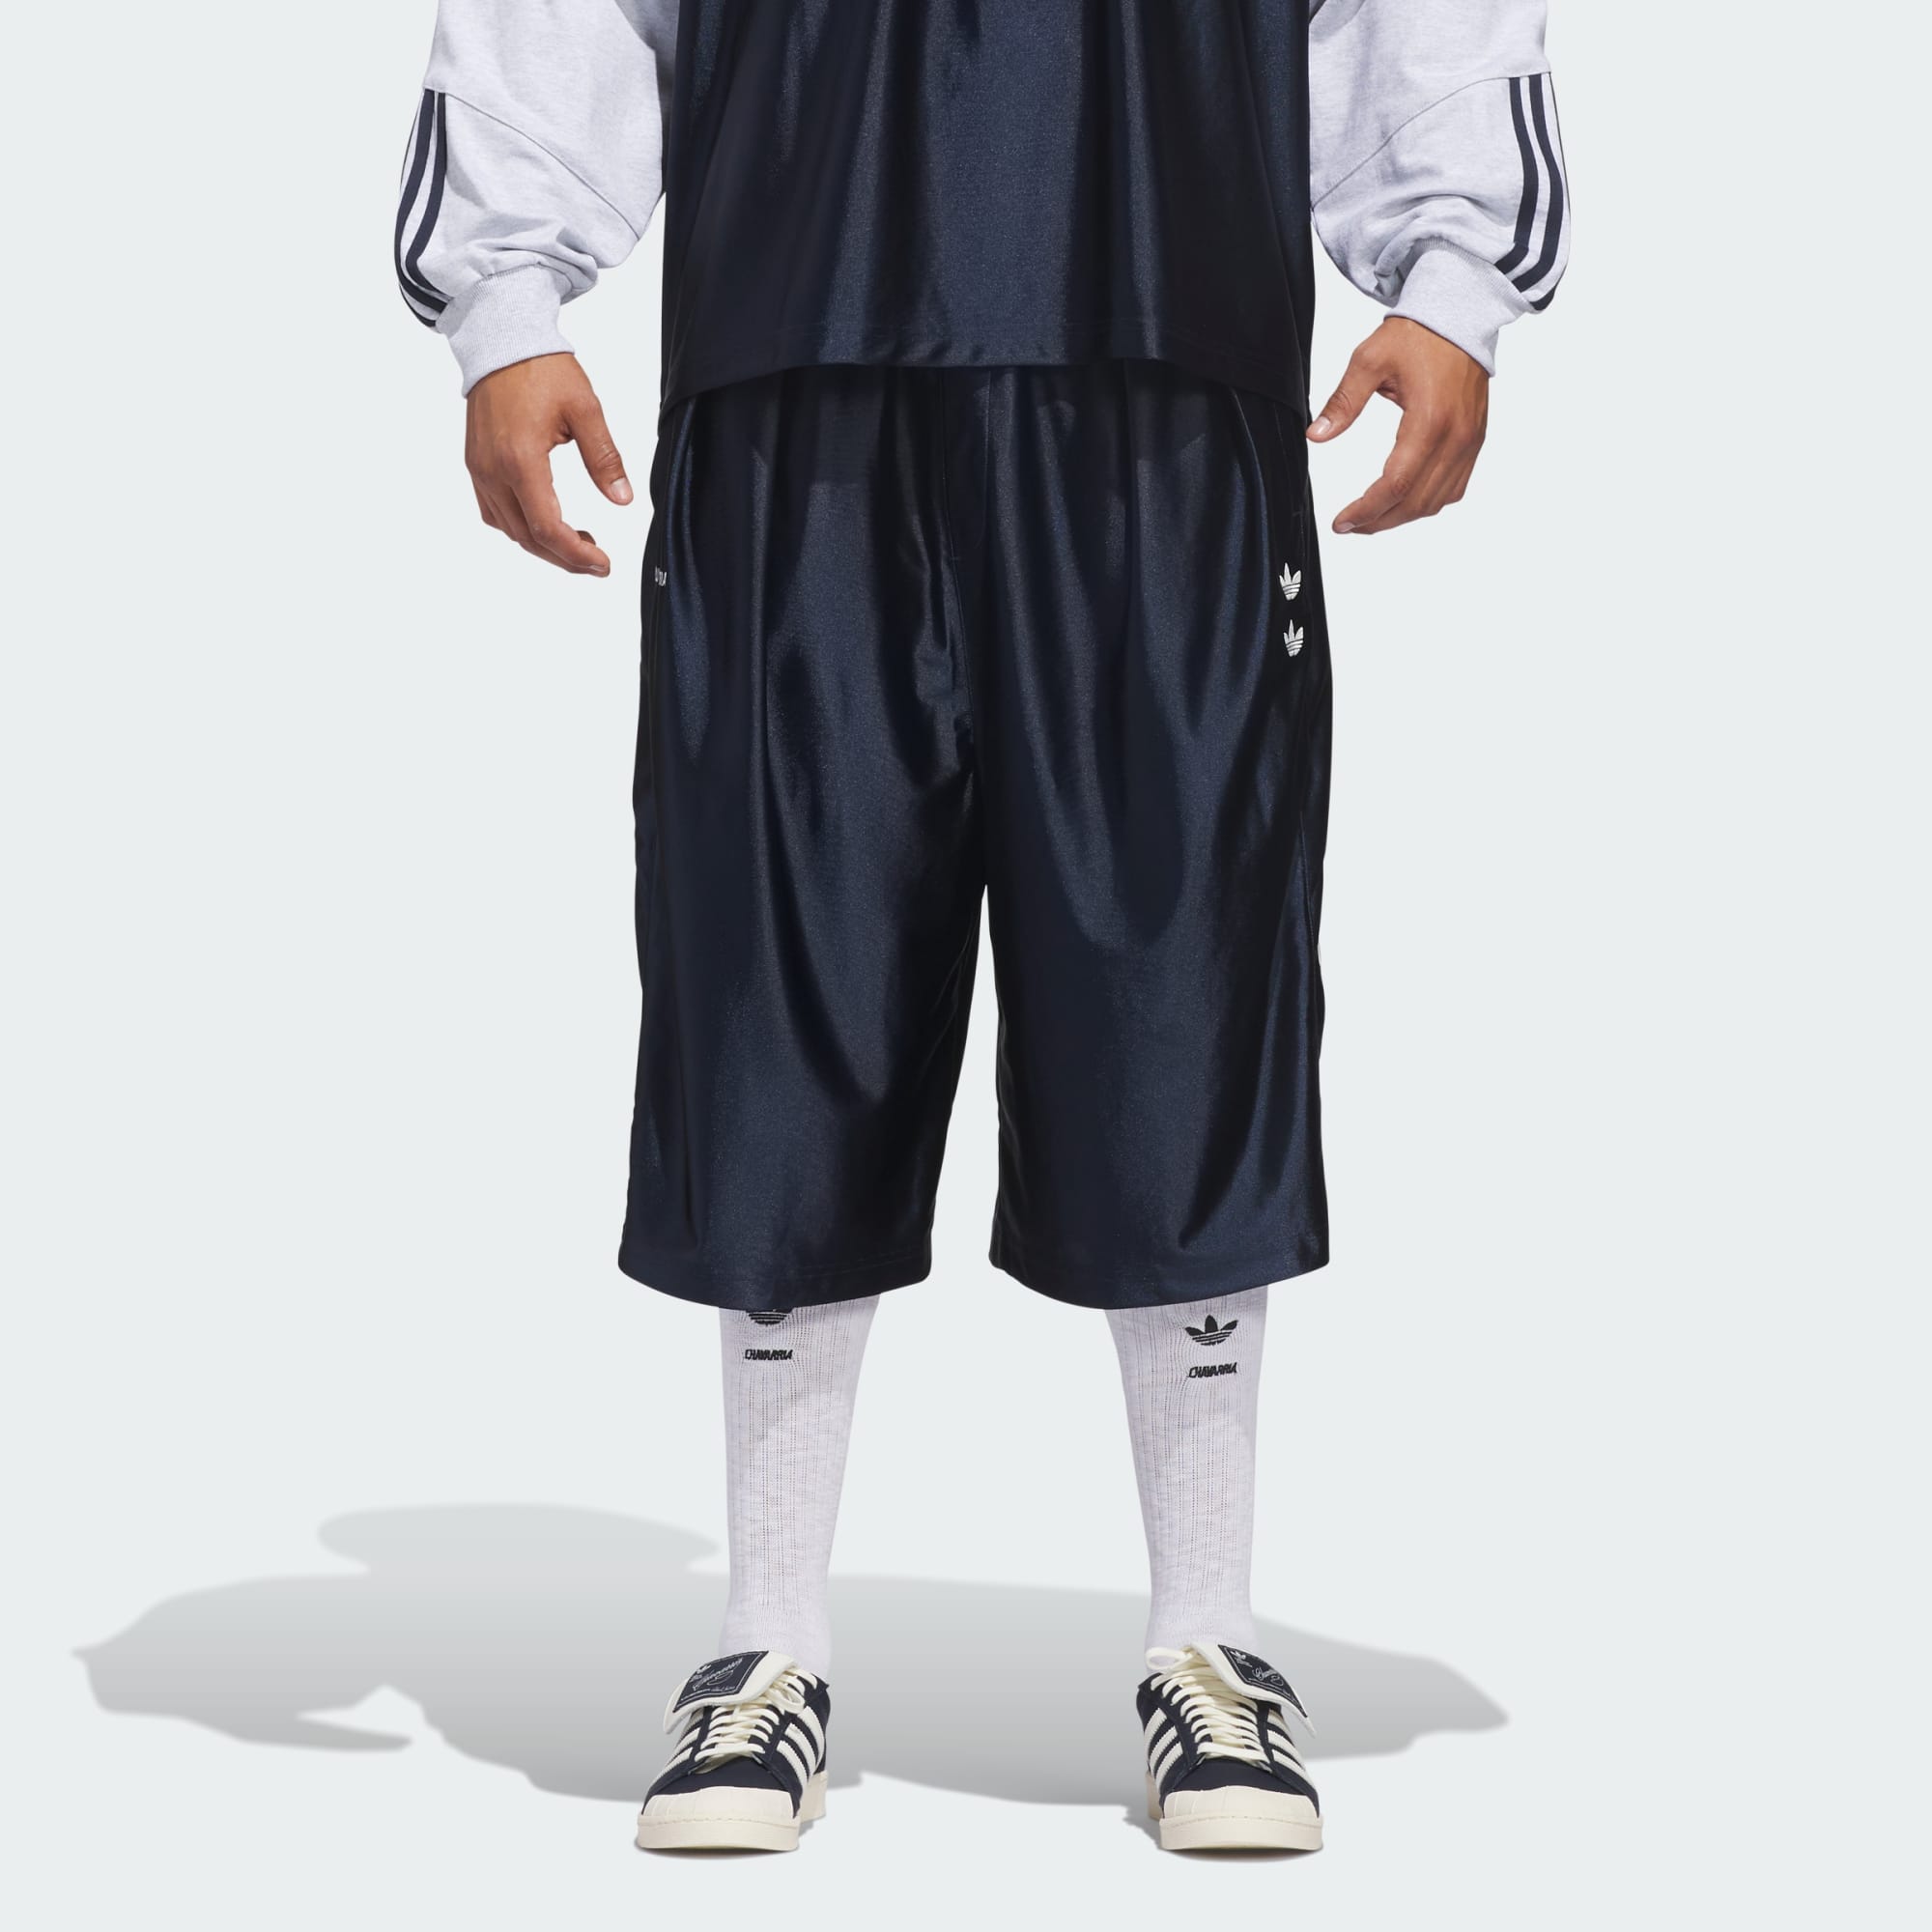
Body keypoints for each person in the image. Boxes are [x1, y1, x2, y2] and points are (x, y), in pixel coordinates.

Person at [397, 0, 1567, 1857]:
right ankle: (766, 1642)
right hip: (795, 367)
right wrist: (507, 302)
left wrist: (1454, 276)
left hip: (1166, 374)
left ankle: (1208, 1639)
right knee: (779, 976)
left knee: (1180, 978)